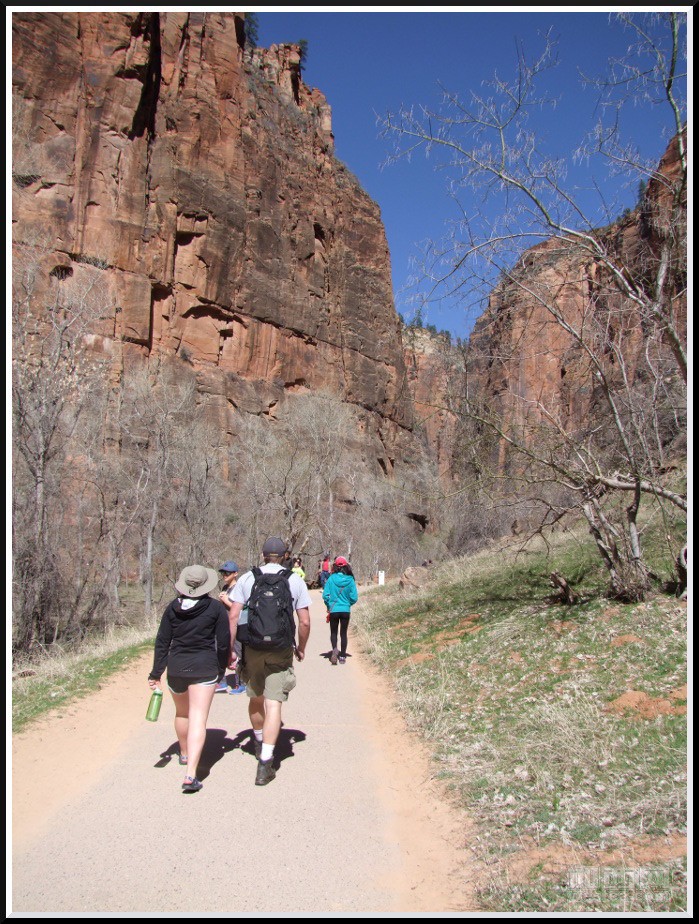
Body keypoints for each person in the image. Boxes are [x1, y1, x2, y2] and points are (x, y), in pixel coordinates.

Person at [227, 537, 311, 786]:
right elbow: (305, 621)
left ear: (263, 555)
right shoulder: (294, 580)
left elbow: (233, 616)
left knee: (256, 698)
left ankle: (257, 740)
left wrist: (231, 650)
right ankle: (265, 763)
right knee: (273, 703)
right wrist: (301, 648)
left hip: (252, 647)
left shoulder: (247, 578)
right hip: (281, 647)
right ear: (285, 556)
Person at [148, 565, 230, 793]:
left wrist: (156, 673)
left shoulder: (172, 608)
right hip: (204, 667)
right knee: (198, 719)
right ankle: (190, 774)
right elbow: (224, 642)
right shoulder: (215, 608)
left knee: (182, 713)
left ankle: (184, 753)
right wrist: (221, 668)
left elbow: (162, 642)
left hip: (176, 668)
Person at [216, 560, 246, 693]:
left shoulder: (239, 588)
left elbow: (241, 609)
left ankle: (241, 683)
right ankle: (221, 681)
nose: (224, 575)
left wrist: (226, 600)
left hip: (237, 625)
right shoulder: (225, 588)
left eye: (227, 573)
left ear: (235, 574)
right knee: (221, 651)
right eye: (223, 572)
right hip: (224, 625)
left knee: (238, 654)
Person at [323, 556, 358, 665]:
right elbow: (354, 597)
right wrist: (347, 604)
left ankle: (334, 649)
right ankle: (342, 656)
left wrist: (329, 605)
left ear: (335, 566)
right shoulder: (350, 580)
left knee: (333, 632)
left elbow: (325, 595)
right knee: (343, 633)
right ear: (346, 566)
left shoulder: (331, 578)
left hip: (334, 610)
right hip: (345, 610)